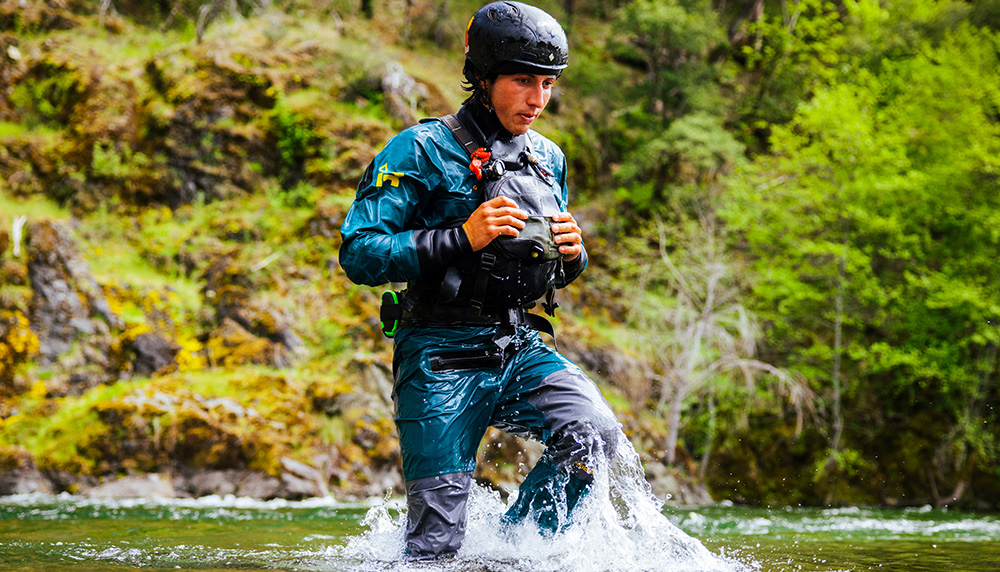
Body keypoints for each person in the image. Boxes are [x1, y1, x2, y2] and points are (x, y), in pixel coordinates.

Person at [339, 1, 624, 560]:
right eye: (523, 81)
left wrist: (574, 257)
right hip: (437, 353)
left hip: (519, 344)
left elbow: (548, 262)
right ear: (485, 77)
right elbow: (360, 253)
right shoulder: (418, 149)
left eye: (547, 83)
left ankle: (518, 550)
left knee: (594, 434)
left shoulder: (549, 159)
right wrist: (459, 237)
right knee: (436, 544)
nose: (538, 99)